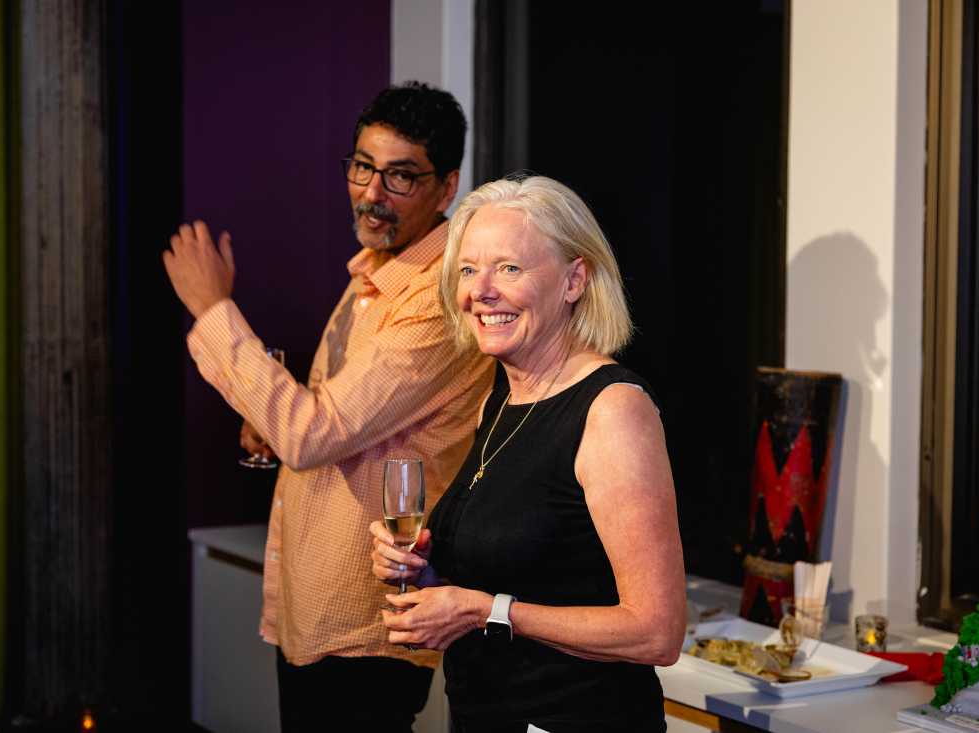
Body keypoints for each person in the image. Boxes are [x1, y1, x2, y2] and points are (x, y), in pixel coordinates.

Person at [162, 82, 494, 732]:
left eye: (400, 176)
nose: (371, 192)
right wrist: (273, 426)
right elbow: (328, 423)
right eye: (362, 166)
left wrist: (212, 311)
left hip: (368, 620)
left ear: (447, 187)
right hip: (321, 607)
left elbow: (314, 433)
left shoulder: (436, 299)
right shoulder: (374, 273)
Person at [369, 176, 686, 732]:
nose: (481, 291)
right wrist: (424, 576)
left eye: (509, 268)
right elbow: (522, 568)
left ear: (574, 281)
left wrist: (484, 610)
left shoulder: (613, 411)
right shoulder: (500, 397)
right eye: (468, 270)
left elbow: (657, 632)